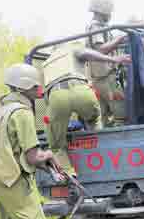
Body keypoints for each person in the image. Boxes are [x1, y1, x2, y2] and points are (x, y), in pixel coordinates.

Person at [0, 63, 64, 219]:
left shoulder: (0, 112)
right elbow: (33, 157)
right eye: (36, 86)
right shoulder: (22, 113)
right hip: (13, 180)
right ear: (24, 87)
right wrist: (49, 156)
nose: (40, 90)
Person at [43, 40, 130, 174]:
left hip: (55, 96)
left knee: (56, 144)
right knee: (94, 121)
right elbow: (86, 53)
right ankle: (102, 161)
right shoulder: (71, 48)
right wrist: (112, 59)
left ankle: (70, 175)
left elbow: (46, 97)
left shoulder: (47, 62)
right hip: (80, 89)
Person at [85, 0, 127, 127]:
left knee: (104, 118)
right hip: (106, 77)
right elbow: (100, 49)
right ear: (103, 11)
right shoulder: (96, 27)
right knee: (121, 115)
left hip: (100, 78)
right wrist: (119, 39)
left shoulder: (98, 27)